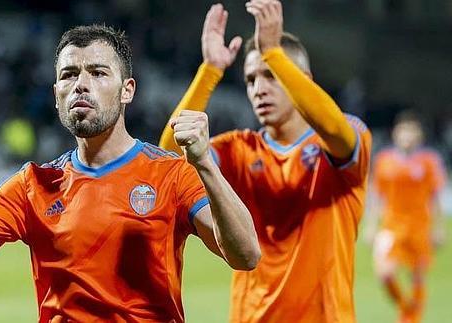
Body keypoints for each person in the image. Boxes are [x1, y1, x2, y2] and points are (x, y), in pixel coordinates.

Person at [0, 24, 260, 323]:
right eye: (69, 75)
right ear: (56, 95)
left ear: (128, 90)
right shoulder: (33, 184)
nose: (81, 84)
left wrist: (205, 164)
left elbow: (245, 255)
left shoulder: (171, 174)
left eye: (97, 73)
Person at [159, 1, 372, 322]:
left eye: (271, 75)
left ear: (303, 79)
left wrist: (273, 51)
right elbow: (168, 157)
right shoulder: (241, 149)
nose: (259, 89)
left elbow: (336, 131)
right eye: (251, 79)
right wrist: (211, 71)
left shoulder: (343, 138)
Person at [367, 110, 447, 323]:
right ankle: (406, 307)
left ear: (419, 135)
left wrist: (438, 229)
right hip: (392, 226)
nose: (407, 136)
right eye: (404, 131)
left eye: (412, 131)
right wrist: (371, 226)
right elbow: (377, 195)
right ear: (396, 133)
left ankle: (412, 319)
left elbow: (436, 196)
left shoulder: (430, 161)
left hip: (419, 226)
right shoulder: (384, 160)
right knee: (384, 273)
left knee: (417, 276)